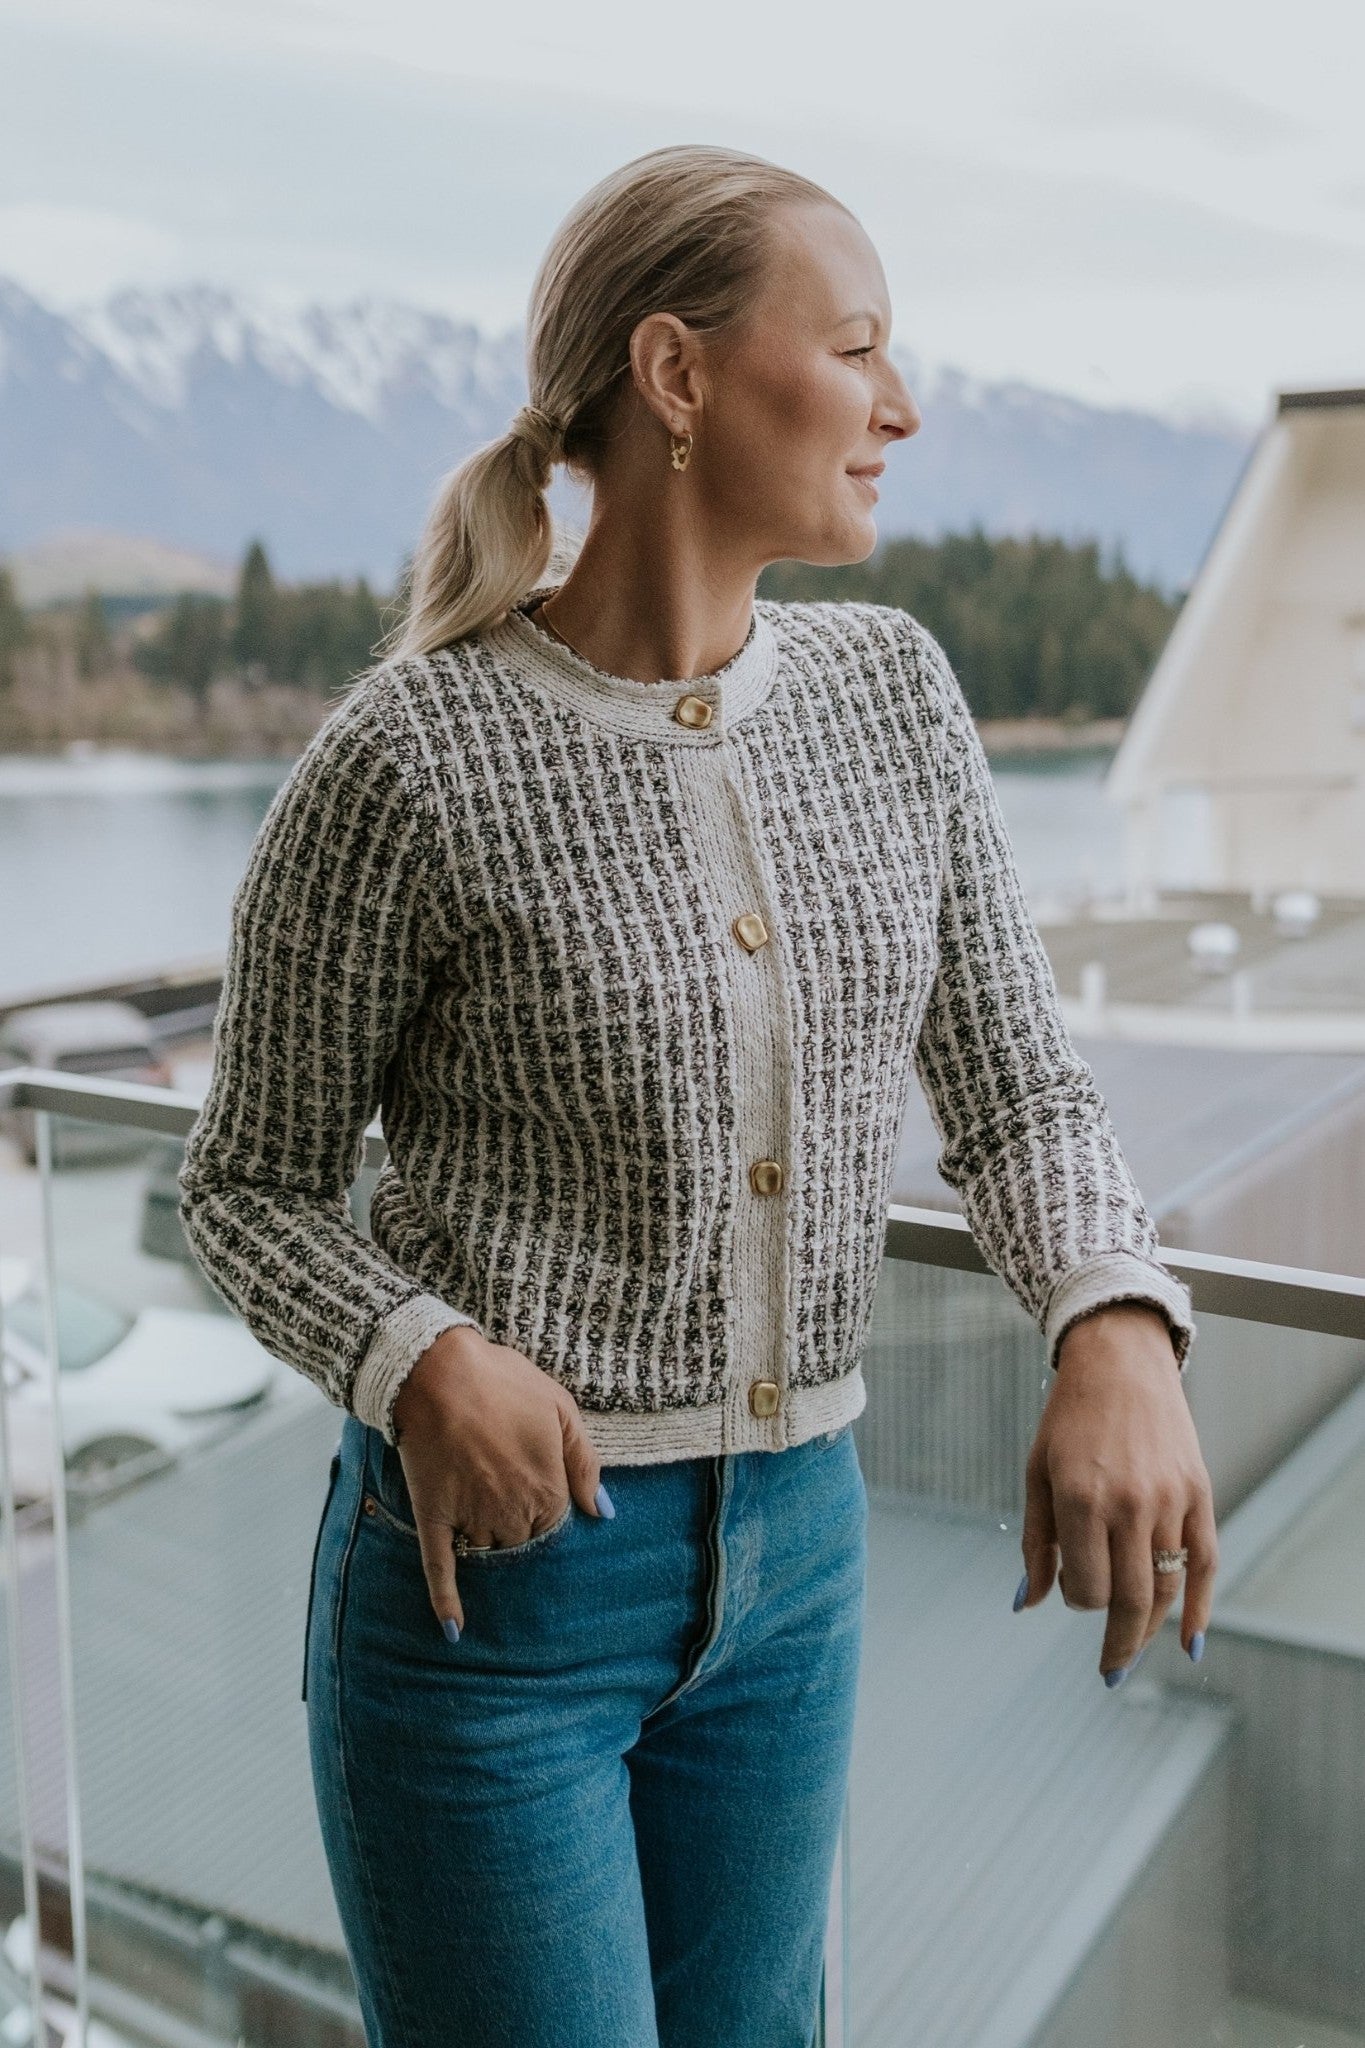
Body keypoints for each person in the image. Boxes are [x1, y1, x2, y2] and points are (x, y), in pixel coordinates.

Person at [177, 142, 1217, 2048]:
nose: (902, 407)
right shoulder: (408, 755)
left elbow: (1018, 1094)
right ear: (676, 377)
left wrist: (1114, 1320)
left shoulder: (892, 696)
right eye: (857, 348)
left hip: (800, 1568)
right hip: (491, 1609)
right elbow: (242, 1186)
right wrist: (414, 1356)